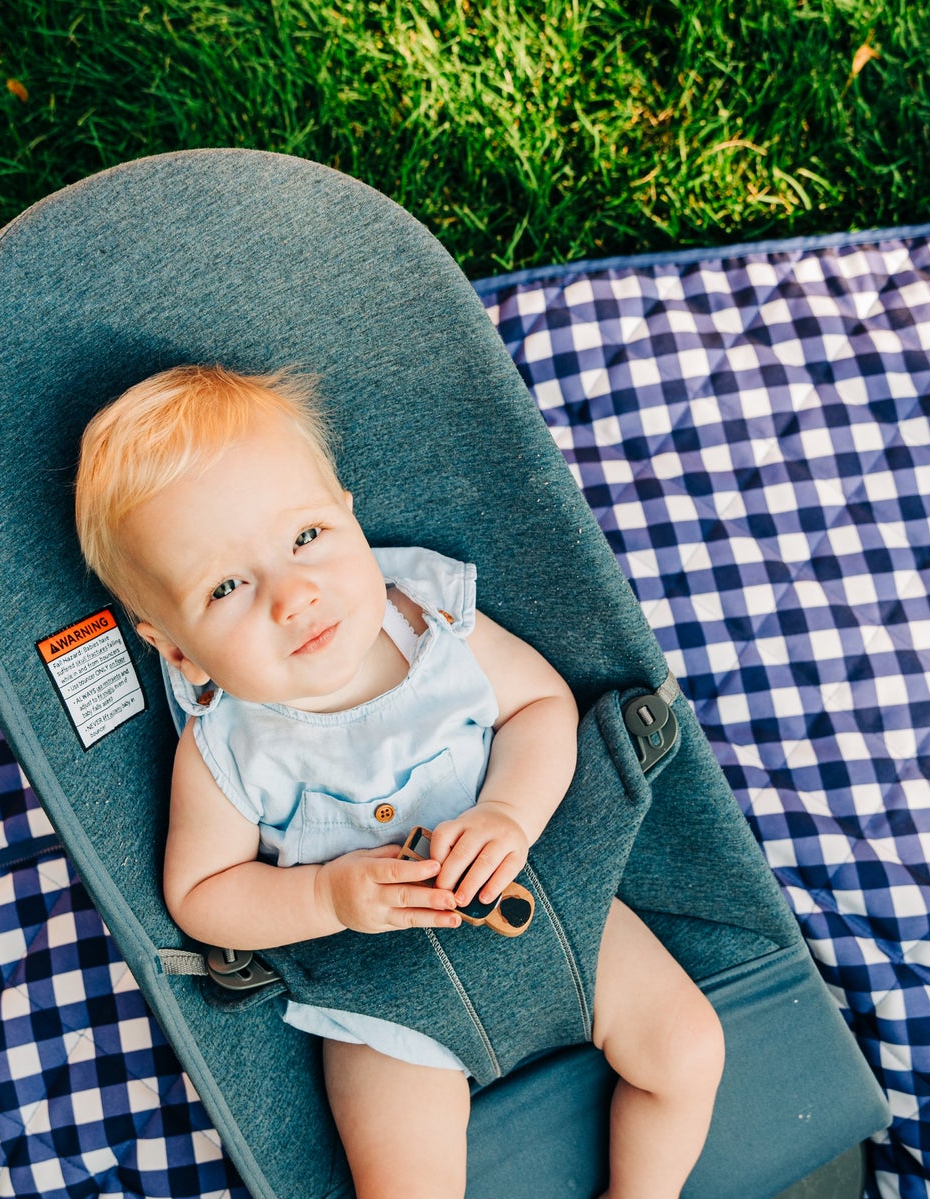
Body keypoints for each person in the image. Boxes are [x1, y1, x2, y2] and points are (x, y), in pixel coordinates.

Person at [74, 364, 723, 1199]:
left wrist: (508, 813)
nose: (293, 595)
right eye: (228, 587)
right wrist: (327, 900)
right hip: (385, 1005)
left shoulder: (429, 618)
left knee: (688, 1050)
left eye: (305, 537)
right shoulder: (227, 744)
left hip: (549, 910)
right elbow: (201, 892)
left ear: (346, 511)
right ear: (177, 648)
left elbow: (540, 706)